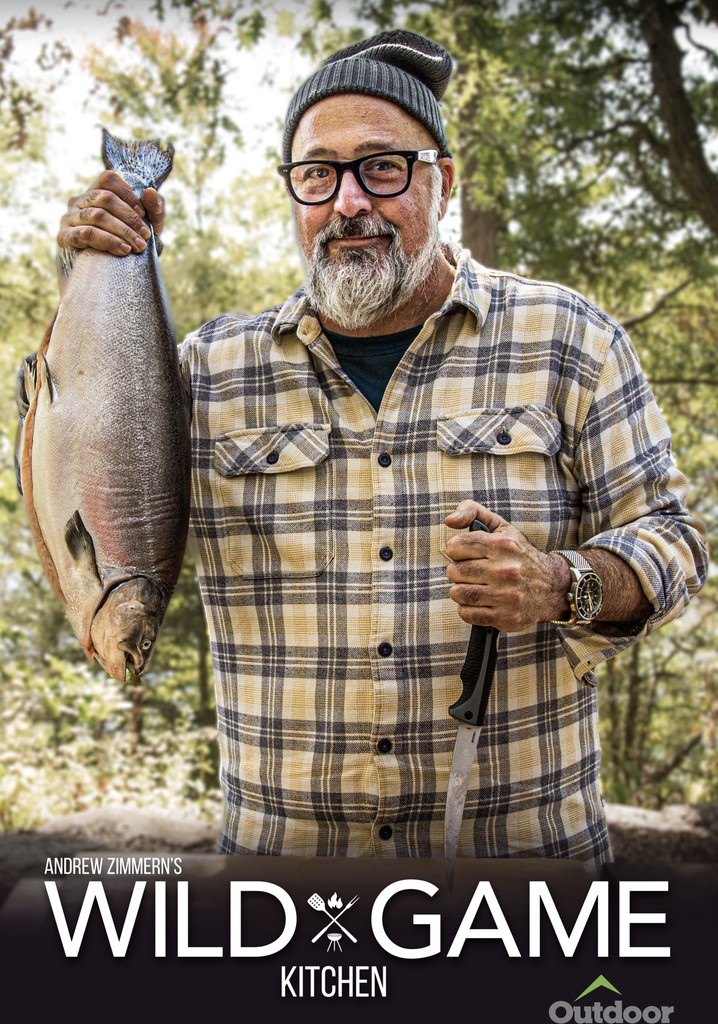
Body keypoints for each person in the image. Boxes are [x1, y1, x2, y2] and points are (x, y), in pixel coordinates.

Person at [52, 30, 706, 868]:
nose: (349, 201)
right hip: (286, 893)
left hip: (525, 889)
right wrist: (89, 266)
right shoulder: (205, 372)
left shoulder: (569, 338)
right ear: (294, 191)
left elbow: (674, 540)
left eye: (383, 168)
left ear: (444, 181)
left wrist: (559, 583)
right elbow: (65, 442)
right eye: (317, 174)